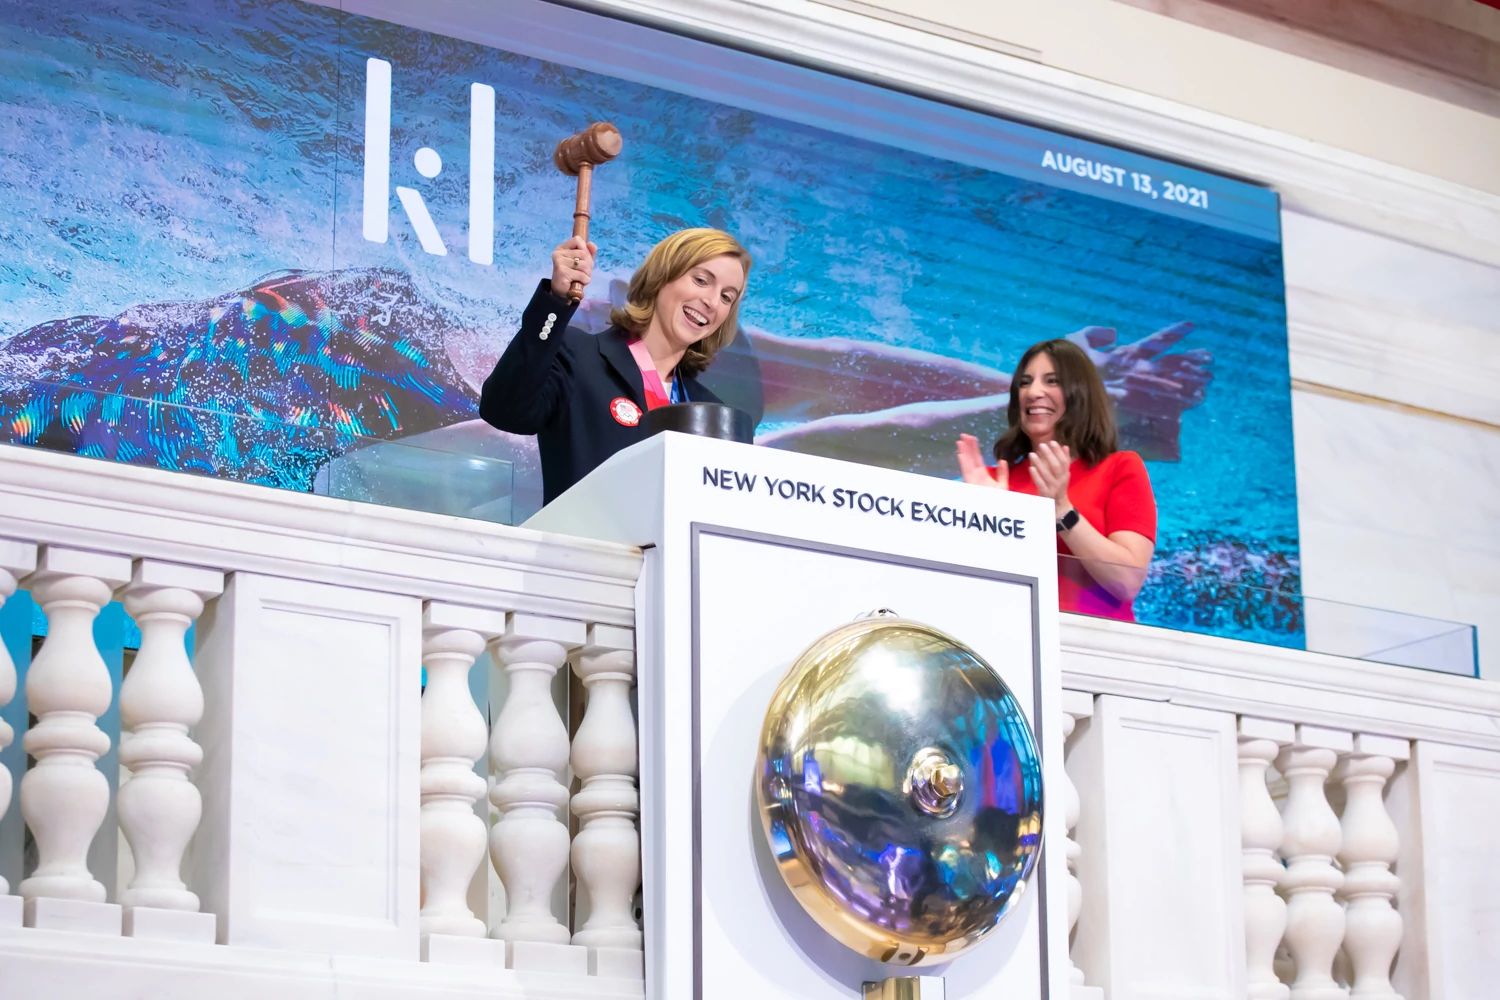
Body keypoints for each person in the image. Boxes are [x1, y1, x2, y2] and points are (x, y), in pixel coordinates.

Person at [480, 228, 752, 505]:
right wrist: (557, 300)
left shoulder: (713, 412)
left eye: (727, 297)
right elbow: (505, 411)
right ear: (662, 277)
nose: (711, 302)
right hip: (584, 546)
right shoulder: (578, 356)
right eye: (701, 280)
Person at [955, 338, 1156, 621]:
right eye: (1025, 382)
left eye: (1051, 381)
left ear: (1081, 394)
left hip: (1094, 646)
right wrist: (991, 520)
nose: (1033, 392)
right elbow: (970, 589)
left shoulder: (1120, 467)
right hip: (1013, 637)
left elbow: (1126, 581)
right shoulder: (993, 482)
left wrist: (1061, 509)